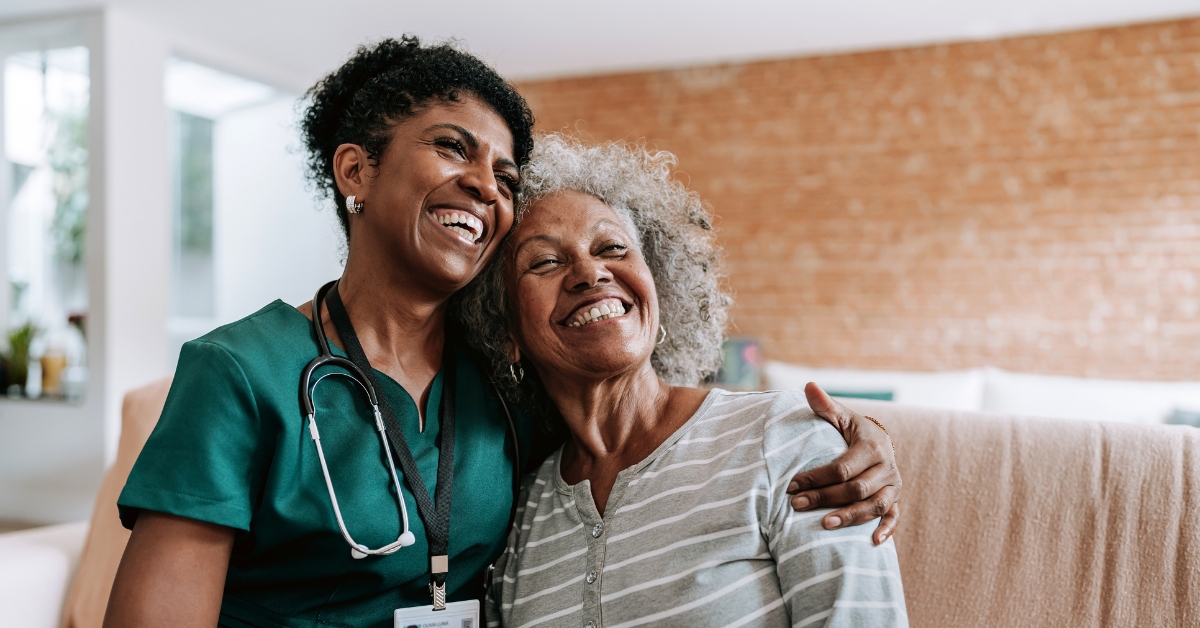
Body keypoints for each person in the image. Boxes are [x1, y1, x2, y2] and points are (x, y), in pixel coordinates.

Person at [103, 39, 900, 628]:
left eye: (506, 176)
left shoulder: (506, 390)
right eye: (453, 147)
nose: (485, 186)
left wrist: (868, 442)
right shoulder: (238, 372)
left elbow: (642, 427)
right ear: (355, 171)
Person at [472, 135, 907, 627]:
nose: (590, 273)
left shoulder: (783, 438)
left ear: (656, 285)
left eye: (612, 248)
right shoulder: (522, 511)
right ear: (505, 332)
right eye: (546, 262)